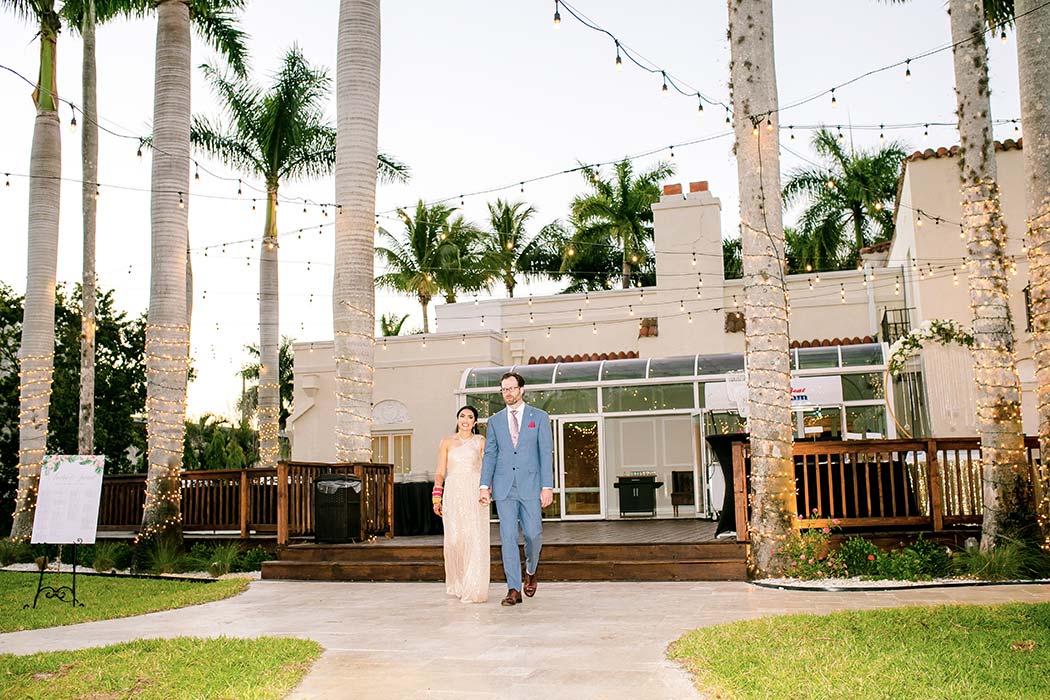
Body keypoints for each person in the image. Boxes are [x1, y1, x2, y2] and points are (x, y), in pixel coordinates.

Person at [479, 372, 553, 607]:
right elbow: (490, 454)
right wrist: (484, 485)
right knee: (508, 537)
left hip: (531, 486)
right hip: (504, 488)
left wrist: (547, 486)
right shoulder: (495, 421)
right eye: (504, 389)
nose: (508, 393)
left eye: (511, 388)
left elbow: (545, 453)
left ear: (522, 390)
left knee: (533, 534)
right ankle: (513, 588)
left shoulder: (539, 417)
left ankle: (531, 569)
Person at [433, 405, 490, 603]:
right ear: (457, 419)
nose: (465, 420)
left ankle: (473, 586)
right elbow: (440, 472)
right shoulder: (447, 442)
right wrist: (436, 496)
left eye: (470, 417)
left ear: (475, 422)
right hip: (453, 492)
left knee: (473, 537)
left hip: (474, 492)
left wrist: (487, 490)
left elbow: (487, 469)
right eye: (462, 416)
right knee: (454, 539)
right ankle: (457, 583)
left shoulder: (480, 442)